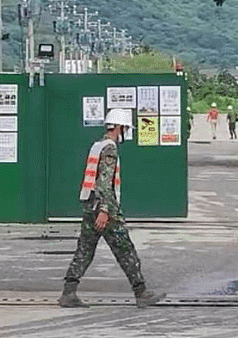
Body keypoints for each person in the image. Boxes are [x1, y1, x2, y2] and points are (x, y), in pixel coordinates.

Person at [59, 109, 165, 308]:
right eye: (125, 128)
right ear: (119, 127)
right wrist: (105, 210)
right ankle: (141, 292)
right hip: (104, 209)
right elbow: (105, 181)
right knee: (125, 250)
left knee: (85, 250)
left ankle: (69, 292)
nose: (125, 131)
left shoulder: (97, 145)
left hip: (90, 205)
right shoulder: (110, 149)